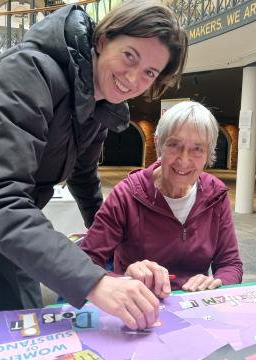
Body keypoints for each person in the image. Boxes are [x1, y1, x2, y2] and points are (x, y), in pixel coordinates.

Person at [0, 1, 187, 357]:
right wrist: (94, 280)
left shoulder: (100, 106)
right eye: (129, 56)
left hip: (2, 229)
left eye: (150, 73)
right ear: (102, 39)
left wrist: (124, 256)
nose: (134, 79)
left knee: (28, 335)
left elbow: (85, 180)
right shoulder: (29, 71)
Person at [81, 101, 243, 299]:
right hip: (137, 304)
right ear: (159, 144)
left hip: (194, 305)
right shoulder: (127, 194)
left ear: (209, 153)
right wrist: (124, 278)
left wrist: (218, 283)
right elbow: (86, 263)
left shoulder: (215, 194)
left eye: (197, 148)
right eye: (174, 145)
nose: (184, 160)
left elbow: (230, 264)